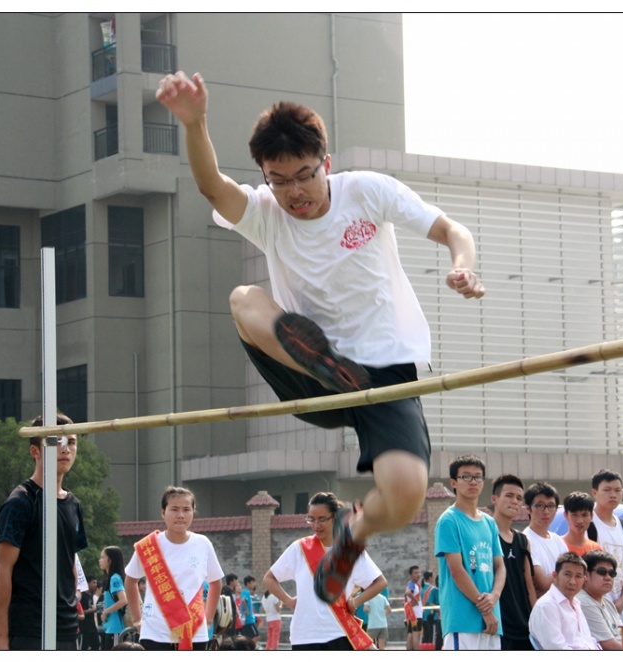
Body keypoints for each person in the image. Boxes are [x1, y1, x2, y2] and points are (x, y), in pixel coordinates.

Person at [156, 72, 485, 606]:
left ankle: (353, 534)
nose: (294, 192)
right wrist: (195, 123)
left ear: (325, 163)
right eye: (279, 180)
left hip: (384, 372)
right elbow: (212, 186)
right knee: (244, 298)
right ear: (266, 177)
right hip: (313, 371)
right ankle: (319, 358)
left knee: (406, 497)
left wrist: (463, 267)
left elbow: (451, 229)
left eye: (304, 176)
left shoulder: (367, 191)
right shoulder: (267, 213)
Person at [0, 413, 87, 650]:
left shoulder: (73, 504)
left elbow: (71, 563)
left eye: (71, 442)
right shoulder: (20, 503)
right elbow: (2, 570)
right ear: (35, 451)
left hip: (66, 628)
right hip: (28, 629)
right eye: (56, 442)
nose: (65, 449)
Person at [263, 491, 388, 650]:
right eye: (311, 519)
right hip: (304, 635)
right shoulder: (299, 548)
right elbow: (269, 578)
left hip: (340, 632)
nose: (316, 525)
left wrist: (355, 602)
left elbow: (379, 582)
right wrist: (288, 601)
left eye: (322, 519)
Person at [124, 486, 223, 651]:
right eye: (174, 509)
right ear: (163, 512)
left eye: (186, 509)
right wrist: (137, 619)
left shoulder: (202, 543)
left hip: (194, 631)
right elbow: (130, 580)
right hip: (155, 632)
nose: (181, 515)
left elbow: (216, 582)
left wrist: (209, 618)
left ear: (193, 512)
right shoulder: (149, 546)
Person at [434, 454, 506, 650]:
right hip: (463, 621)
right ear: (453, 483)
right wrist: (485, 609)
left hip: (492, 622)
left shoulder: (489, 522)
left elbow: (500, 566)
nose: (473, 482)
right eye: (466, 476)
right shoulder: (449, 520)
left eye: (478, 477)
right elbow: (456, 570)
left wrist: (494, 597)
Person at [490, 474, 537, 650]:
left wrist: (535, 619)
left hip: (524, 625)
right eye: (509, 496)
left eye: (519, 498)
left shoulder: (523, 541)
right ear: (494, 499)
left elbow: (529, 585)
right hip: (498, 626)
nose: (515, 501)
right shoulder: (485, 535)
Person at [590, 469, 623, 625]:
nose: (613, 495)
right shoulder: (588, 524)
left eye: (617, 490)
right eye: (607, 490)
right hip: (596, 608)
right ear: (594, 492)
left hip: (622, 611)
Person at [528, 552, 599, 650]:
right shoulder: (546, 606)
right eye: (567, 574)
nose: (572, 582)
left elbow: (588, 641)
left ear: (584, 579)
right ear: (555, 576)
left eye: (578, 576)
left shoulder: (576, 603)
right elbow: (556, 649)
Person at [522, 481, 569, 598]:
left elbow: (572, 575)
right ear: (528, 508)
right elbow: (542, 583)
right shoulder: (525, 540)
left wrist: (555, 582)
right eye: (540, 506)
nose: (546, 511)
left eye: (551, 506)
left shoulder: (558, 540)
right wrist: (563, 576)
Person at [577, 550, 623, 650]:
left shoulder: (608, 602)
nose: (608, 578)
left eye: (612, 573)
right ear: (586, 575)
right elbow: (609, 645)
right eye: (602, 572)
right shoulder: (584, 602)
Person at [99, 546, 129, 650]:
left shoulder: (114, 578)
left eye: (103, 557)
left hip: (116, 628)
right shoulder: (111, 578)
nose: (100, 560)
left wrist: (105, 612)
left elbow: (123, 600)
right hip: (110, 627)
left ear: (110, 560)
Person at [561, 491, 603, 557]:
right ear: (565, 515)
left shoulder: (596, 549)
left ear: (591, 516)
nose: (580, 521)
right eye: (574, 515)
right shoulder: (558, 545)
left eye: (584, 515)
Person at [403, 565, 423, 650]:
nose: (418, 574)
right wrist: (415, 600)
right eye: (415, 573)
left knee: (410, 635)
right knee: (416, 635)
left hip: (410, 615)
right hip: (416, 615)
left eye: (419, 572)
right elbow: (408, 592)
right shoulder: (412, 584)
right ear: (411, 575)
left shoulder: (414, 585)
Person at [420, 571, 442, 650]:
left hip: (423, 615)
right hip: (432, 615)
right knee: (432, 636)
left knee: (426, 636)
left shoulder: (422, 587)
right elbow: (431, 603)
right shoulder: (432, 589)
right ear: (430, 577)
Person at [79, 576, 100, 650]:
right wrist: (95, 610)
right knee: (83, 647)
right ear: (87, 583)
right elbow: (81, 612)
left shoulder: (90, 595)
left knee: (96, 645)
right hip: (84, 627)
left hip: (92, 626)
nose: (95, 585)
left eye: (96, 583)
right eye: (93, 582)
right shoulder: (82, 596)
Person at [239, 576, 260, 645]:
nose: (254, 584)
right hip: (248, 620)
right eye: (253, 582)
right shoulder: (246, 592)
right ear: (248, 583)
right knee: (256, 636)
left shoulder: (246, 592)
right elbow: (243, 600)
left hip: (248, 620)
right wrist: (247, 610)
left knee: (248, 638)